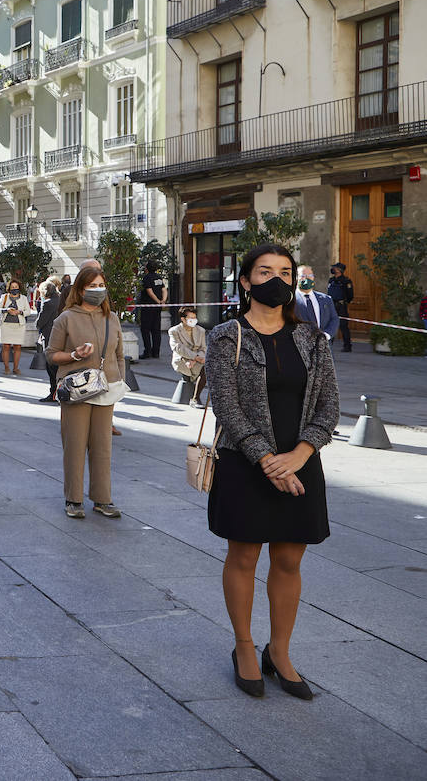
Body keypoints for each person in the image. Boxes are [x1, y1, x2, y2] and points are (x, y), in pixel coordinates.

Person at [207, 244, 338, 700]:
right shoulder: (226, 336)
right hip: (246, 464)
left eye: (285, 271)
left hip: (301, 465)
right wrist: (265, 458)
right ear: (246, 282)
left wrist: (300, 453)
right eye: (265, 271)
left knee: (288, 560)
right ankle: (244, 646)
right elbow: (226, 404)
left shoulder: (313, 340)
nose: (277, 280)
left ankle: (279, 651)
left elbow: (329, 406)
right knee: (243, 557)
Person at [47, 267, 127, 520]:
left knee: (103, 447)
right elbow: (51, 355)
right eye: (92, 286)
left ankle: (103, 499)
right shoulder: (66, 318)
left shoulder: (112, 318)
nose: (98, 290)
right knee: (75, 445)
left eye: (101, 285)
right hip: (77, 390)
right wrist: (74, 355)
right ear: (80, 290)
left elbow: (119, 354)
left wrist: (119, 382)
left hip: (105, 388)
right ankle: (74, 498)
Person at [0, 280, 35, 375]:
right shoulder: (4, 297)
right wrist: (6, 310)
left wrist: (19, 312)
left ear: (19, 287)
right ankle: (6, 367)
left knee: (17, 347)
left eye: (16, 287)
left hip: (19, 326)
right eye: (12, 287)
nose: (14, 288)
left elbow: (28, 311)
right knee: (6, 346)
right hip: (6, 325)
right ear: (9, 288)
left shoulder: (23, 298)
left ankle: (16, 368)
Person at [169, 306, 207, 407]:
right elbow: (178, 348)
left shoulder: (201, 330)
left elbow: (203, 348)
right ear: (183, 319)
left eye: (195, 318)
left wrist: (196, 359)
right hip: (182, 358)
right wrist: (194, 358)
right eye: (191, 318)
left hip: (197, 359)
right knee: (194, 366)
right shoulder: (174, 331)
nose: (193, 320)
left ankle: (195, 398)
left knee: (207, 369)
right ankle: (194, 398)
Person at [35, 279, 64, 403]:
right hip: (62, 337)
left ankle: (54, 392)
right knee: (57, 367)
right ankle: (58, 392)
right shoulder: (60, 300)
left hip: (50, 337)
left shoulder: (47, 303)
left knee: (51, 366)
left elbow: (40, 322)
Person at [294, 266, 339, 343]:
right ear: (296, 278)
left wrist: (326, 336)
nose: (307, 279)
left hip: (322, 346)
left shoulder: (326, 299)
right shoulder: (289, 300)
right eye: (303, 276)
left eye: (310, 275)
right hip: (299, 346)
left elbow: (334, 319)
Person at [137, 261, 167, 359]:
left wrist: (157, 301)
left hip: (148, 307)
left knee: (145, 329)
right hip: (157, 308)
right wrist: (163, 301)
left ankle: (147, 352)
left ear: (147, 268)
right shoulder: (159, 277)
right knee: (156, 330)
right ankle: (156, 352)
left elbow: (149, 292)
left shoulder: (146, 278)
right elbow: (164, 290)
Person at [326, 263, 354, 352]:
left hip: (341, 306)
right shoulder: (331, 280)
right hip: (331, 305)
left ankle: (347, 346)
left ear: (339, 270)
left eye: (335, 268)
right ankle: (327, 344)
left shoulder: (346, 281)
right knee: (329, 324)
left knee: (343, 326)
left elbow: (350, 295)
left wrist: (345, 302)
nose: (333, 269)